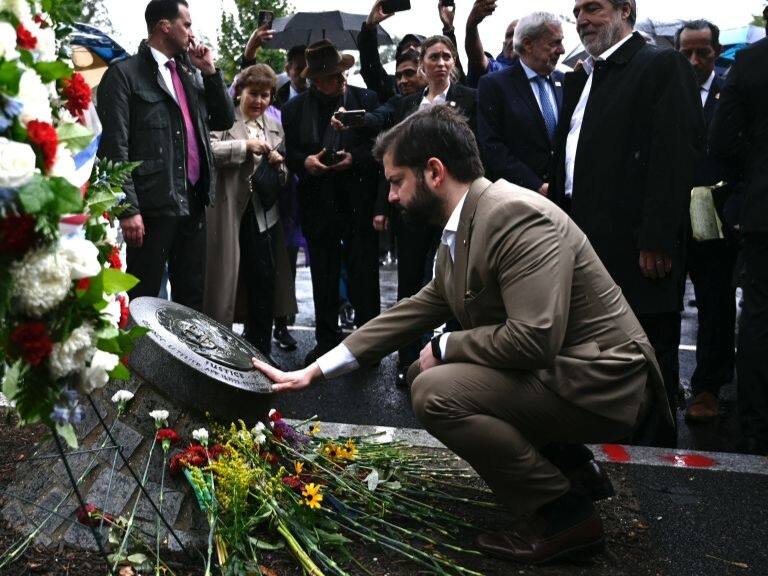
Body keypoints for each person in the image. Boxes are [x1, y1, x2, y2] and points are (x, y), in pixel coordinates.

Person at [252, 105, 670, 563]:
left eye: (396, 181)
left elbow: (533, 339)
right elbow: (416, 308)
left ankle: (563, 513)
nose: (390, 197)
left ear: (434, 171)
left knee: (435, 390)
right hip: (568, 373)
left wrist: (444, 346)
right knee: (423, 373)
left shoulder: (513, 216)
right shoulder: (472, 219)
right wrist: (316, 369)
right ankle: (572, 470)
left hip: (607, 382)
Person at [549, 0, 703, 447]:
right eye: (576, 11)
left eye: (593, 8)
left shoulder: (660, 64)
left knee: (646, 352)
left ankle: (654, 468)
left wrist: (657, 237)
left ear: (625, 11)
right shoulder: (584, 75)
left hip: (638, 245)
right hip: (585, 240)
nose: (581, 20)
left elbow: (674, 154)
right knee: (597, 356)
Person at [353, 35, 476, 387]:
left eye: (446, 56)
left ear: (453, 62)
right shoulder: (405, 104)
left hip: (452, 210)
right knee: (410, 285)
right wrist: (383, 205)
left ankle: (449, 358)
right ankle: (409, 360)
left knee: (452, 284)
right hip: (412, 212)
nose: (440, 62)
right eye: (433, 57)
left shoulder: (469, 99)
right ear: (422, 64)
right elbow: (388, 157)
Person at [97, 0, 235, 311]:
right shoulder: (124, 74)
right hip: (152, 207)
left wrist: (211, 74)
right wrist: (128, 208)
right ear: (164, 26)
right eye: (186, 24)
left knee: (191, 300)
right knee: (144, 300)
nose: (191, 32)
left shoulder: (189, 72)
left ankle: (185, 362)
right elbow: (114, 147)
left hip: (194, 201)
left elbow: (224, 119)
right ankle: (139, 361)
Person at [281, 40, 381, 366]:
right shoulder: (294, 109)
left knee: (363, 274)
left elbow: (378, 147)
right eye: (332, 77)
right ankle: (326, 341)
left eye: (342, 74)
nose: (340, 81)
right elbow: (290, 153)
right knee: (323, 276)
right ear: (315, 80)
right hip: (317, 203)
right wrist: (307, 163)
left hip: (356, 202)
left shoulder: (364, 100)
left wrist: (355, 158)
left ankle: (369, 344)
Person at [203, 64, 296, 356]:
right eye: (253, 94)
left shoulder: (275, 124)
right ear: (239, 92)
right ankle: (218, 352)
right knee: (223, 285)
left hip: (263, 214)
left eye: (265, 95)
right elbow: (209, 153)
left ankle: (260, 353)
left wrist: (280, 166)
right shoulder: (222, 118)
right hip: (228, 213)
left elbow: (284, 177)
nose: (259, 101)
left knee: (264, 283)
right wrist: (244, 146)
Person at [674, 20, 738, 422]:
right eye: (687, 53)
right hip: (669, 216)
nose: (695, 61)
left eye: (703, 53)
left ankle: (708, 388)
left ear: (716, 52)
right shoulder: (663, 93)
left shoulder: (731, 92)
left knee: (715, 304)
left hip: (715, 218)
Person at [710, 35, 768, 456]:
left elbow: (723, 138)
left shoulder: (751, 61)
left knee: (760, 316)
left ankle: (756, 426)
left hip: (763, 207)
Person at [477, 12, 565, 195]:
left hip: (563, 198)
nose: (562, 50)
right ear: (527, 44)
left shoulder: (566, 83)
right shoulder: (494, 85)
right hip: (519, 197)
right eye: (554, 43)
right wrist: (536, 185)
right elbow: (491, 146)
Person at [359, 0, 463, 102]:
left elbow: (452, 64)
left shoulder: (446, 86)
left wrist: (448, 29)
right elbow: (371, 69)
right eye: (407, 46)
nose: (411, 49)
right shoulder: (393, 92)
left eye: (417, 46)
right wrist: (369, 27)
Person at [465, 0, 518, 88]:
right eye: (509, 36)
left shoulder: (543, 71)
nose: (512, 40)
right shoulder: (497, 69)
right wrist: (471, 26)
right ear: (503, 45)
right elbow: (478, 60)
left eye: (518, 34)